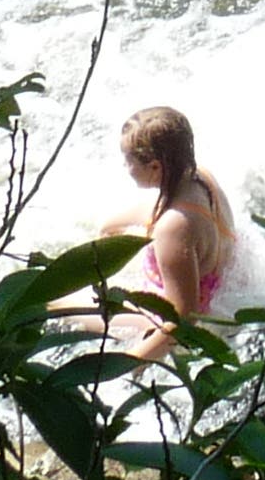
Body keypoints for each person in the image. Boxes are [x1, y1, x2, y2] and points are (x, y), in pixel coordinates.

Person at [95, 104, 235, 363]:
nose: (125, 167)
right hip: (218, 283)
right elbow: (160, 212)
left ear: (156, 167)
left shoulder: (173, 229)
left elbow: (182, 320)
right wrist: (108, 229)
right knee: (107, 227)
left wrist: (125, 367)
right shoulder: (199, 178)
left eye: (129, 161)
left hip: (179, 312)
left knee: (58, 304)